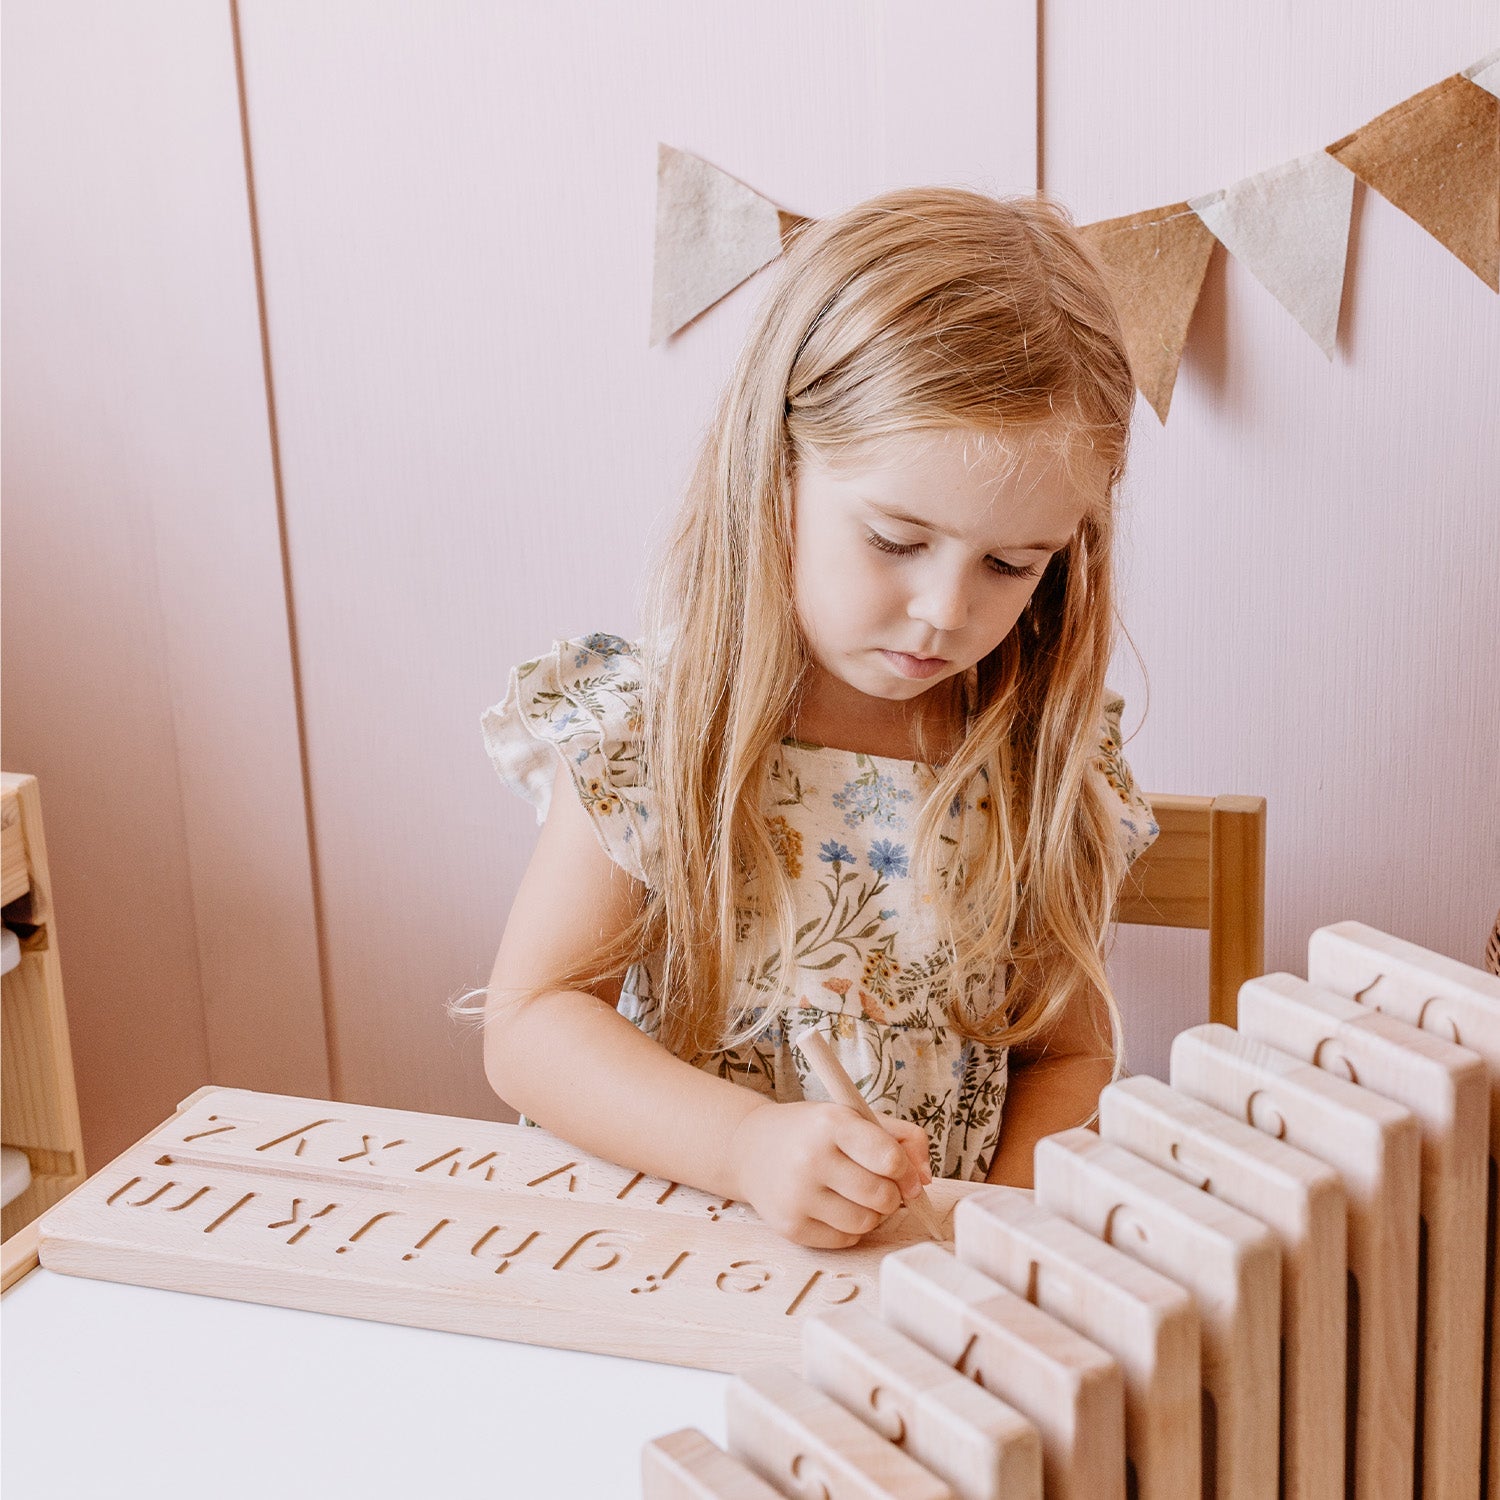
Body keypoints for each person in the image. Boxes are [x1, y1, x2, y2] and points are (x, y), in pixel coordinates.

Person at [473, 186, 1158, 1249]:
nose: (945, 611)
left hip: (916, 1291)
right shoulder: (650, 734)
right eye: (895, 541)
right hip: (668, 1253)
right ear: (776, 472)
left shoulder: (1038, 759)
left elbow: (1067, 1057)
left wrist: (992, 1236)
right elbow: (532, 1025)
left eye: (1012, 564)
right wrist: (745, 1146)